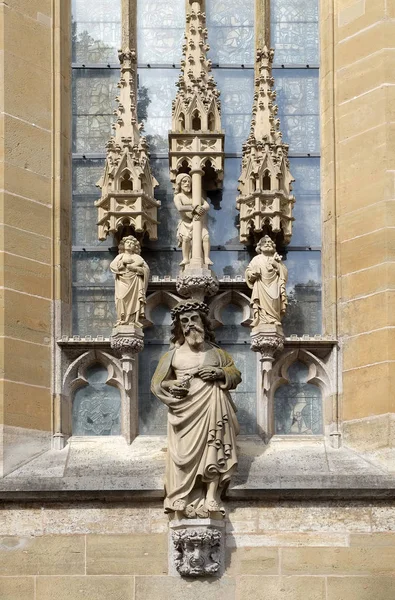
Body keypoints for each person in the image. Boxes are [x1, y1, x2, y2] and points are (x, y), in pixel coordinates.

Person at [151, 300, 241, 518]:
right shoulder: (172, 356)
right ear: (179, 327)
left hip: (213, 405)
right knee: (182, 454)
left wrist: (219, 374)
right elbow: (157, 384)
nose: (190, 325)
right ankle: (181, 494)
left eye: (194, 319)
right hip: (184, 412)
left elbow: (236, 374)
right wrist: (174, 387)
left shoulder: (218, 354)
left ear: (203, 322)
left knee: (214, 446)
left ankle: (211, 496)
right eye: (185, 321)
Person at [245, 235, 288, 327]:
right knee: (261, 303)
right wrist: (252, 274)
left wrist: (276, 264)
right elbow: (248, 271)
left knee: (275, 299)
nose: (267, 244)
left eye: (269, 242)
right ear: (259, 247)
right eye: (264, 242)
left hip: (274, 284)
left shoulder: (276, 258)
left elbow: (284, 273)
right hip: (261, 284)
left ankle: (274, 318)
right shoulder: (256, 259)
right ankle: (261, 319)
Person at [110, 235, 149, 327]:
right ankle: (121, 319)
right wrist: (123, 263)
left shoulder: (138, 258)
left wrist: (135, 268)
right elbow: (113, 266)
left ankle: (132, 320)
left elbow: (146, 270)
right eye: (127, 242)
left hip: (135, 282)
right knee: (120, 298)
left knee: (135, 300)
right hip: (122, 280)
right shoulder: (120, 256)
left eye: (132, 243)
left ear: (135, 247)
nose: (129, 244)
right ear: (123, 245)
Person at [173, 173, 212, 267]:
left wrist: (201, 210)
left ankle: (206, 258)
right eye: (184, 181)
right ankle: (185, 258)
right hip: (186, 222)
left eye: (189, 182)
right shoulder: (178, 197)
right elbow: (180, 208)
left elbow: (207, 205)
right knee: (186, 239)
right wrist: (194, 209)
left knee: (206, 237)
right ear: (179, 184)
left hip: (198, 222)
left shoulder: (195, 196)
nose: (187, 184)